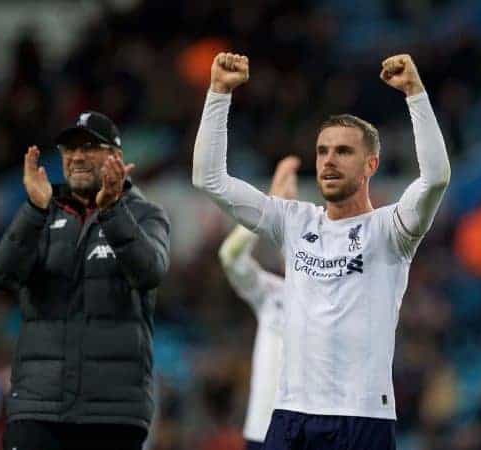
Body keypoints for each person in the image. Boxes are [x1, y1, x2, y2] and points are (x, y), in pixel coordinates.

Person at [193, 52, 450, 449]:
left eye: (343, 152)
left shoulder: (389, 230)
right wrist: (219, 94)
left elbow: (435, 178)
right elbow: (209, 179)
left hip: (362, 417)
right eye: (322, 151)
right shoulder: (295, 222)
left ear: (371, 164)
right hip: (291, 415)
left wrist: (415, 94)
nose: (328, 161)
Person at [0, 111, 170, 450]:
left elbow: (149, 273)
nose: (77, 157)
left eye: (89, 148)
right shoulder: (42, 211)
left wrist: (113, 211)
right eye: (70, 149)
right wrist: (33, 212)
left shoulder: (146, 214)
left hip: (113, 412)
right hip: (38, 406)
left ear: (115, 157)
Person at [219, 156, 300, 450]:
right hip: (264, 432)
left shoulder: (336, 298)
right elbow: (230, 256)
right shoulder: (272, 293)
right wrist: (269, 208)